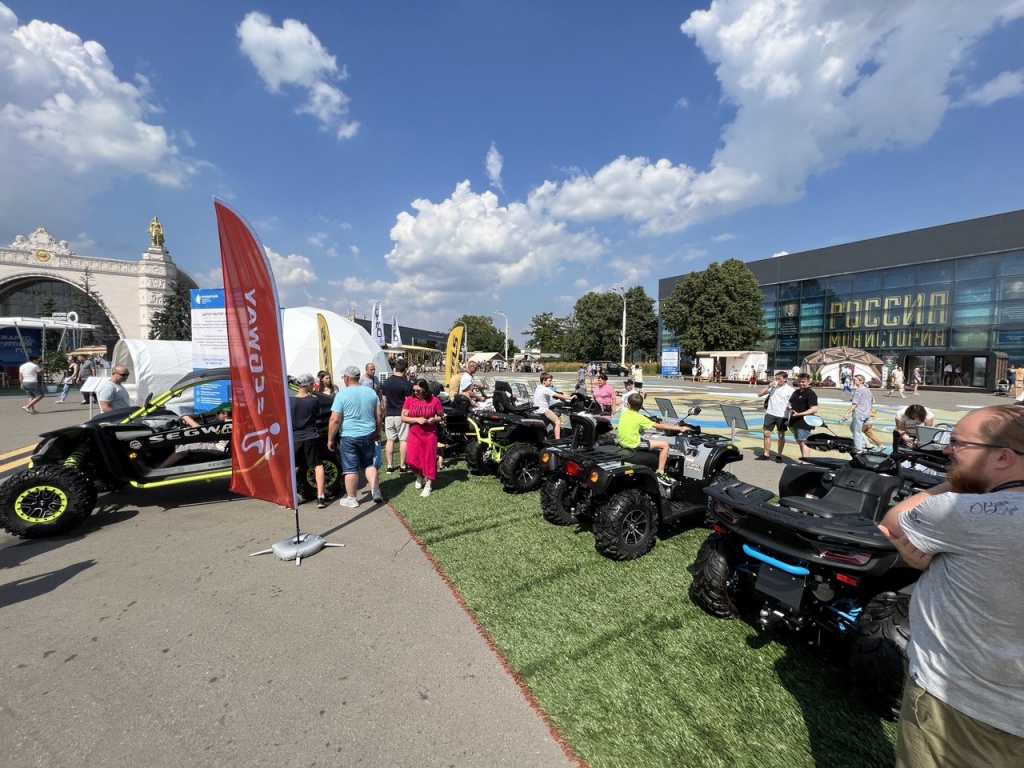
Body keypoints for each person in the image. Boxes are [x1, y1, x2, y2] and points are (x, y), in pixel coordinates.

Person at [879, 405, 1024, 766]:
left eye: (958, 444)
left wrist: (960, 482)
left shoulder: (957, 511)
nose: (946, 450)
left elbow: (893, 522)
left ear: (1003, 457)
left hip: (960, 703)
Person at [328, 366, 383, 507]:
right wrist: (378, 431)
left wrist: (330, 438)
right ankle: (375, 490)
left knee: (350, 468)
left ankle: (352, 498)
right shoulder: (371, 393)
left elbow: (334, 419)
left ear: (346, 378)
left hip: (349, 435)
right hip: (368, 433)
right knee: (369, 464)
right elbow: (378, 414)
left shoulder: (341, 395)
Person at [617, 392, 690, 485]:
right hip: (634, 445)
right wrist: (680, 428)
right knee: (665, 445)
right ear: (641, 406)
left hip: (623, 444)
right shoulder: (640, 417)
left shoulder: (624, 413)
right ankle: (660, 472)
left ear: (628, 405)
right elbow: (660, 426)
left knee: (649, 443)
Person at [401, 378, 444, 497]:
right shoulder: (410, 400)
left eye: (418, 390)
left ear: (425, 390)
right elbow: (403, 417)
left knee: (429, 459)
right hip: (414, 434)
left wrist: (434, 419)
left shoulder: (434, 400)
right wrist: (417, 419)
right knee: (411, 460)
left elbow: (441, 416)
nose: (415, 393)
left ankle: (428, 485)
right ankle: (419, 474)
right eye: (413, 390)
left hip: (430, 434)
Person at [291, 373, 327, 508]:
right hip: (311, 436)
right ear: (307, 386)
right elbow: (319, 413)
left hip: (295, 438)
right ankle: (320, 497)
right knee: (317, 465)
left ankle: (292, 496)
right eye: (312, 384)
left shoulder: (290, 401)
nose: (314, 387)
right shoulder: (313, 400)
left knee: (294, 467)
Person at [158, 406, 231, 468]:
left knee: (184, 446)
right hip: (217, 442)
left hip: (218, 448)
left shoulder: (227, 426)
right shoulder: (230, 423)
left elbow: (202, 431)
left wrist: (186, 418)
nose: (216, 415)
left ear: (225, 414)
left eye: (218, 413)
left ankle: (160, 469)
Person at [381, 359, 413, 473]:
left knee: (390, 440)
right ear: (405, 369)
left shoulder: (386, 382)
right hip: (401, 414)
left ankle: (389, 466)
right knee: (403, 440)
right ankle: (402, 466)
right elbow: (408, 401)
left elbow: (384, 400)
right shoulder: (407, 384)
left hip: (389, 414)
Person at [758, 372, 794, 461]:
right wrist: (769, 386)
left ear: (785, 379)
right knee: (766, 433)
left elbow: (793, 403)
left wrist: (791, 411)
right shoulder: (773, 387)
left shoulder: (790, 390)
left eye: (779, 379)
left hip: (782, 415)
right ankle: (766, 454)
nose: (777, 380)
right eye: (776, 378)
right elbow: (759, 394)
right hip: (770, 413)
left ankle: (779, 455)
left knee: (781, 435)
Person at [787, 373, 819, 458]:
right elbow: (790, 402)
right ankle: (804, 459)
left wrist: (799, 414)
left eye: (803, 382)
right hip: (795, 421)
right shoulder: (796, 392)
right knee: (799, 441)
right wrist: (789, 406)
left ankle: (806, 462)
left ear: (809, 382)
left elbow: (814, 409)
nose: (801, 383)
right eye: (799, 382)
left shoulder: (810, 393)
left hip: (804, 421)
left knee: (804, 442)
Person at [533, 374, 571, 439]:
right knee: (558, 422)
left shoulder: (538, 387)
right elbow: (558, 395)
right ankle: (557, 441)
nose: (551, 382)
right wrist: (570, 398)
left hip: (537, 409)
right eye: (550, 380)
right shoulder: (545, 389)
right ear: (544, 381)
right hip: (544, 410)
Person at [842, 374, 873, 452]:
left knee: (857, 432)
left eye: (855, 380)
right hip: (866, 413)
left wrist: (847, 413)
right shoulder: (867, 389)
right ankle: (867, 443)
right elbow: (872, 401)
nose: (854, 381)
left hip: (859, 414)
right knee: (853, 427)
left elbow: (855, 404)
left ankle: (858, 449)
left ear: (861, 381)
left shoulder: (858, 390)